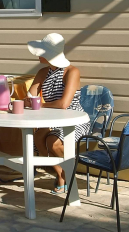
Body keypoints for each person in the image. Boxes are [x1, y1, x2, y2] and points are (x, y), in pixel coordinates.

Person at [27, 33, 88, 194]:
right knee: (38, 138)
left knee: (53, 141)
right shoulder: (42, 72)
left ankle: (67, 176)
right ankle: (62, 174)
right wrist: (30, 100)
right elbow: (30, 96)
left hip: (74, 119)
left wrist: (39, 105)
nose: (38, 55)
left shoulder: (71, 72)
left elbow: (64, 104)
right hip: (51, 119)